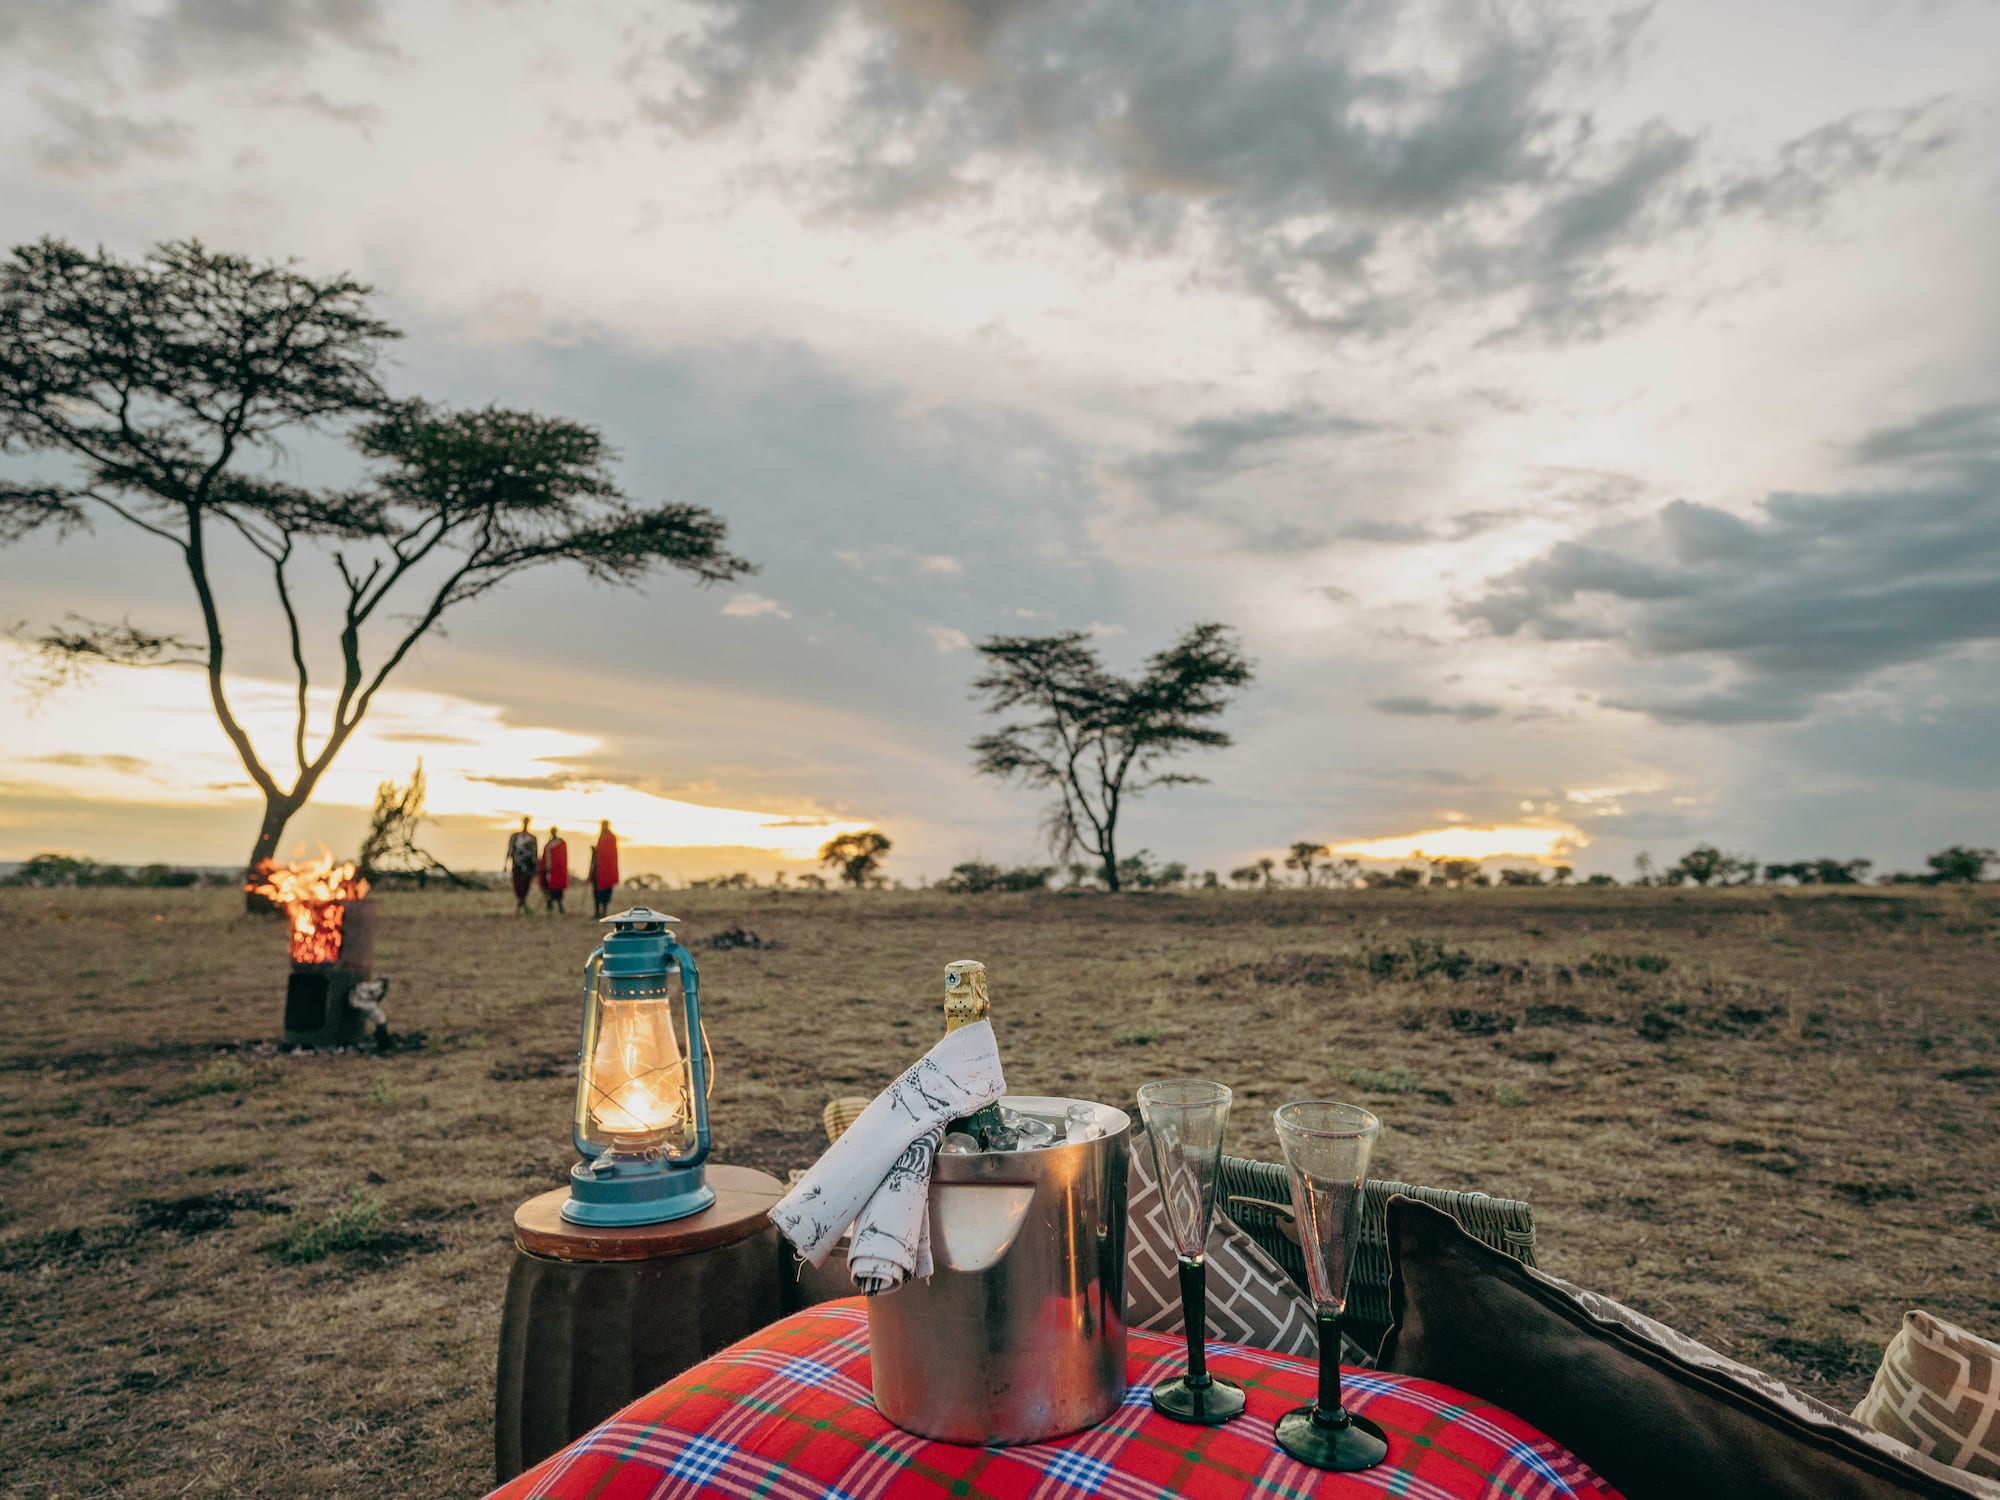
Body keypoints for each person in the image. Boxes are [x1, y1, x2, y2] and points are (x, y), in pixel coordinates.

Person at [505, 817, 538, 916]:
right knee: (517, 884)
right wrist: (505, 864)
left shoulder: (532, 838)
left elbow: (535, 853)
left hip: (528, 866)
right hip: (517, 864)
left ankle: (522, 904)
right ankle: (522, 904)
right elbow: (510, 849)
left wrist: (535, 866)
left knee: (526, 885)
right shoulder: (515, 836)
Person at [589, 819, 620, 919]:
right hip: (597, 870)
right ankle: (597, 912)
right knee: (596, 892)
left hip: (607, 871)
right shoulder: (601, 837)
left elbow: (609, 854)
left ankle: (604, 912)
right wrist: (595, 850)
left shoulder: (611, 838)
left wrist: (597, 850)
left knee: (605, 893)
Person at [537, 827, 569, 914]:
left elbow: (562, 858)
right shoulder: (548, 845)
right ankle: (550, 906)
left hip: (558, 872)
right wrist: (543, 867)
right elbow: (545, 857)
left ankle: (560, 906)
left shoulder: (561, 844)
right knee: (548, 890)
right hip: (548, 872)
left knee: (558, 890)